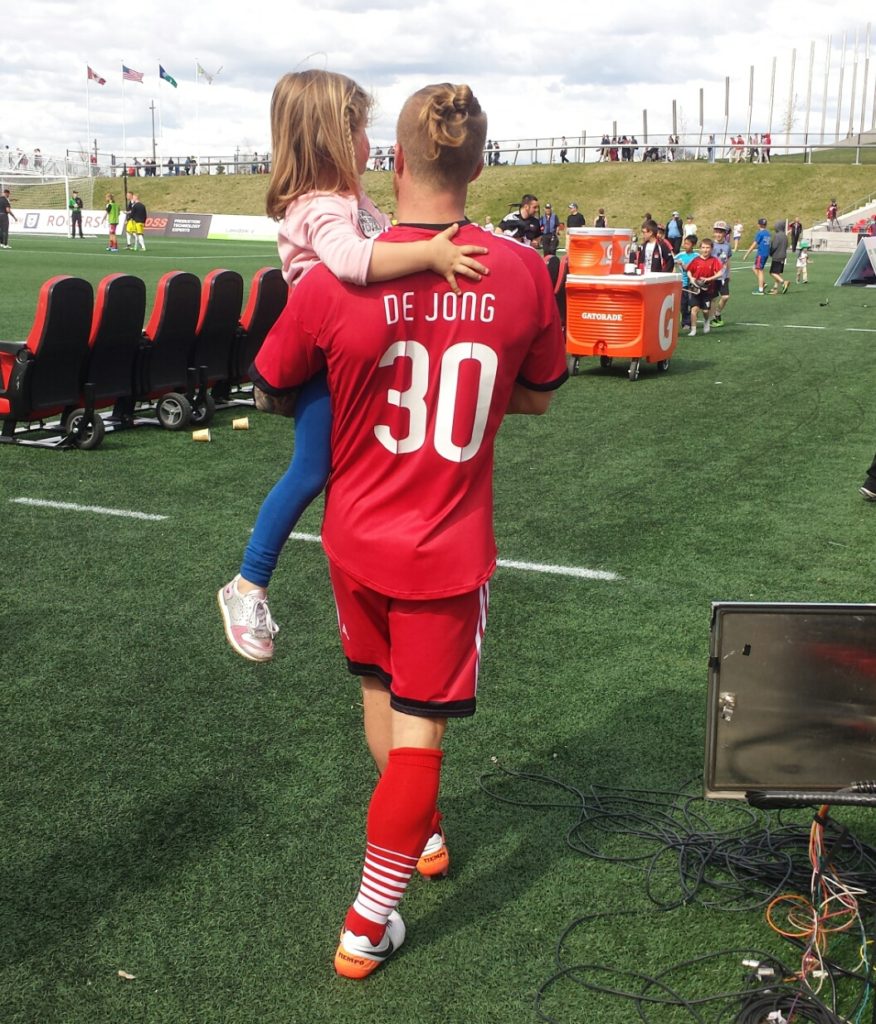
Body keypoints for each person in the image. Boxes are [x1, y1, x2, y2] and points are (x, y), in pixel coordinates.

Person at [251, 79, 566, 979]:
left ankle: (419, 836)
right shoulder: (519, 270)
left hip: (353, 536)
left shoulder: (329, 276)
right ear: (479, 163)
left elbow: (274, 387)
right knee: (420, 733)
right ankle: (368, 919)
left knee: (380, 698)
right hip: (444, 545)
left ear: (392, 160)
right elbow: (540, 397)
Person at [217, 69, 489, 664]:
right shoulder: (320, 207)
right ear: (333, 140)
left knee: (356, 470)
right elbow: (350, 262)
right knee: (311, 471)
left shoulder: (349, 199)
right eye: (362, 129)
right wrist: (431, 251)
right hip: (322, 364)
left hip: (356, 357)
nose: (372, 141)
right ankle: (247, 584)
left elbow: (381, 246)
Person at [685, 237, 724, 336]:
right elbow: (689, 271)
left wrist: (710, 278)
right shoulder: (696, 260)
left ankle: (706, 322)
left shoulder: (714, 260)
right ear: (700, 248)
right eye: (703, 247)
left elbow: (720, 272)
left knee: (706, 311)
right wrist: (692, 279)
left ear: (711, 249)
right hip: (695, 289)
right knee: (694, 309)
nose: (705, 250)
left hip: (708, 290)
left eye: (707, 247)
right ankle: (693, 330)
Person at [709, 221, 733, 327]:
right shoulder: (710, 245)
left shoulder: (727, 246)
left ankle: (718, 313)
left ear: (724, 234)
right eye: (717, 232)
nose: (718, 235)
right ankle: (713, 318)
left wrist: (729, 273)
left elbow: (727, 260)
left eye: (721, 232)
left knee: (725, 297)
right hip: (713, 276)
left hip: (723, 276)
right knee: (713, 298)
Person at [675, 233, 698, 329]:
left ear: (693, 245)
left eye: (688, 244)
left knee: (692, 304)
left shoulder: (697, 256)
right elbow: (671, 260)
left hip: (693, 284)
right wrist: (676, 262)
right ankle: (685, 320)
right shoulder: (680, 255)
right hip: (683, 284)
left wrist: (685, 265)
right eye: (684, 243)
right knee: (683, 304)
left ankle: (687, 322)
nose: (685, 246)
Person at [743, 217, 771, 294]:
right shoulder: (768, 233)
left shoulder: (760, 233)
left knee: (760, 270)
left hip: (761, 254)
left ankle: (760, 290)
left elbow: (754, 244)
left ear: (758, 225)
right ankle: (763, 283)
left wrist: (746, 254)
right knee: (754, 268)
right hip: (765, 254)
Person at [767, 220, 789, 294]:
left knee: (772, 272)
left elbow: (774, 246)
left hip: (777, 256)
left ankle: (783, 282)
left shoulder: (777, 235)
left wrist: (770, 252)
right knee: (777, 273)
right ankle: (775, 288)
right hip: (783, 256)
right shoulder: (785, 236)